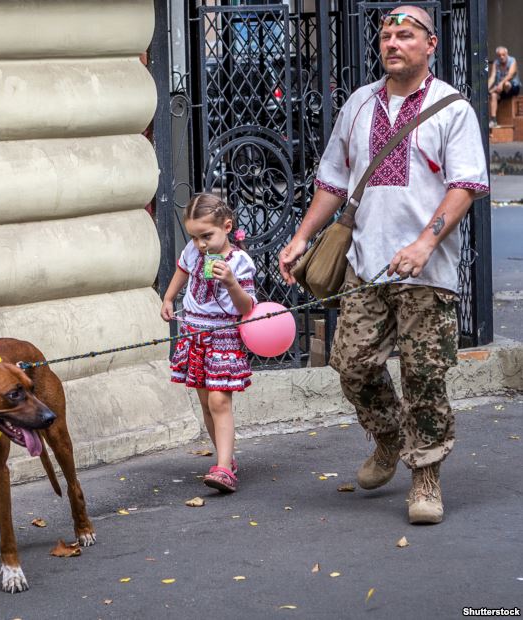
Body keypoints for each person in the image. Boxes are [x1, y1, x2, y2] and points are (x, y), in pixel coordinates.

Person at [278, 5, 488, 524]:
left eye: (406, 34)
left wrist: (423, 244)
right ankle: (390, 436)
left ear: (430, 44)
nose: (393, 43)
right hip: (365, 263)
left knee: (424, 376)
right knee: (352, 364)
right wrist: (301, 238)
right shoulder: (359, 103)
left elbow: (465, 186)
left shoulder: (452, 108)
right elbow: (333, 180)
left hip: (426, 271)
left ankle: (426, 476)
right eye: (386, 35)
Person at [161, 193, 257, 493]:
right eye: (195, 237)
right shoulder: (194, 251)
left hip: (223, 335)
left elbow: (247, 307)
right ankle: (224, 458)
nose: (201, 244)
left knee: (219, 400)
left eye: (207, 236)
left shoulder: (239, 262)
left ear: (227, 226)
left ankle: (225, 468)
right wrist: (168, 297)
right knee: (205, 400)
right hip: (194, 332)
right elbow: (183, 269)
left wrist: (231, 282)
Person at [488, 46, 520, 128]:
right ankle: (493, 120)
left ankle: (496, 90)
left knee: (506, 84)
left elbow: (510, 75)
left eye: (503, 55)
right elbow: (492, 77)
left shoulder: (512, 61)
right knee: (493, 95)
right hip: (500, 89)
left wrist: (500, 84)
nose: (501, 57)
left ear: (507, 54)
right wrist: (487, 88)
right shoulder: (496, 63)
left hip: (512, 87)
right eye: (499, 55)